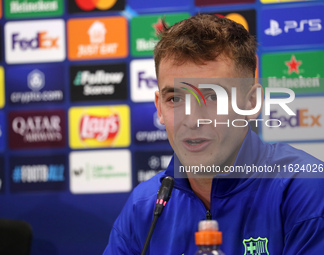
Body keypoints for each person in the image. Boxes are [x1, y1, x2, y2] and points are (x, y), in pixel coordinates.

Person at [103, 14, 324, 255]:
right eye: (175, 99)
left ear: (251, 103)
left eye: (212, 97)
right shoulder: (144, 206)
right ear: (159, 107)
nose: (193, 119)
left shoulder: (305, 189)